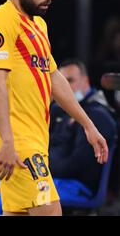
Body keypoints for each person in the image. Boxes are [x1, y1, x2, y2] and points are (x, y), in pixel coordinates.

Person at [0, 0, 109, 216]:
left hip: (35, 138)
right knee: (51, 212)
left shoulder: (38, 25)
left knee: (18, 214)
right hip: (15, 140)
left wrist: (88, 125)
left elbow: (53, 77)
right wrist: (7, 141)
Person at [49, 59, 117, 199]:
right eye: (62, 82)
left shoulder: (97, 115)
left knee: (8, 204)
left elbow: (79, 166)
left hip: (77, 186)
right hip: (55, 179)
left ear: (85, 81)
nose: (66, 87)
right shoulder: (58, 111)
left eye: (71, 80)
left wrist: (45, 166)